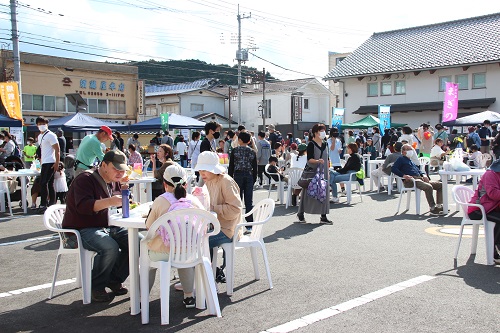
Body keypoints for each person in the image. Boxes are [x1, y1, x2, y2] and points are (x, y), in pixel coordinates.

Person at [62, 150, 130, 302]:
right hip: (81, 228)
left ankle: (114, 279)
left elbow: (120, 202)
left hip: (107, 225)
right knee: (109, 247)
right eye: (116, 168)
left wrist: (124, 190)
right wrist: (111, 201)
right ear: (104, 165)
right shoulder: (85, 179)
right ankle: (97, 286)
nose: (120, 173)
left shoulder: (114, 180)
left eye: (122, 169)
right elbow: (83, 207)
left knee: (137, 242)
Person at [145, 164, 205, 308]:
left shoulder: (160, 201)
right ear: (186, 184)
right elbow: (204, 220)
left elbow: (149, 226)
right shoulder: (193, 200)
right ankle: (189, 296)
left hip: (164, 252)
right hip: (190, 251)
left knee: (147, 263)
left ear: (164, 184)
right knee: (183, 256)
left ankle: (142, 299)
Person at [194, 151, 243, 280]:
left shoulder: (226, 181)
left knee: (196, 243)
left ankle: (203, 281)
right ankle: (205, 277)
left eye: (205, 170)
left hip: (228, 229)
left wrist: (213, 208)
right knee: (192, 239)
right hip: (214, 227)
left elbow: (236, 209)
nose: (202, 173)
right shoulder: (208, 181)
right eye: (200, 170)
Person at [391, 144, 443, 215]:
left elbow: (418, 170)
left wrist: (424, 175)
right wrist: (403, 175)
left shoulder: (410, 161)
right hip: (411, 180)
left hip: (420, 179)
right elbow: (394, 168)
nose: (411, 151)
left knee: (440, 185)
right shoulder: (401, 159)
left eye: (411, 149)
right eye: (408, 149)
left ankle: (439, 205)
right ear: (403, 152)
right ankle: (432, 208)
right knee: (428, 187)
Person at [297, 124, 332, 224]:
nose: (323, 133)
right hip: (313, 172)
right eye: (321, 131)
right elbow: (309, 159)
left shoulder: (326, 144)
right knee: (307, 192)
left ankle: (323, 216)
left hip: (324, 171)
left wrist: (328, 170)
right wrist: (317, 161)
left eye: (324, 131)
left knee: (324, 192)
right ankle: (301, 213)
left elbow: (328, 158)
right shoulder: (311, 144)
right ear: (316, 133)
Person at [467, 159, 500, 264]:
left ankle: (495, 248)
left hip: (490, 208)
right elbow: (493, 194)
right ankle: (495, 248)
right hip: (478, 209)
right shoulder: (491, 174)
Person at [228, 131, 257, 222]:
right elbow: (255, 167)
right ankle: (249, 222)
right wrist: (254, 179)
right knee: (249, 201)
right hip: (249, 175)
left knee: (237, 199)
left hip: (237, 175)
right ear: (249, 141)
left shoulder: (235, 150)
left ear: (239, 140)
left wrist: (230, 178)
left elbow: (231, 166)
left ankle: (237, 221)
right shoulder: (252, 152)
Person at [36, 117, 60, 213]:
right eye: (40, 123)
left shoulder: (51, 135)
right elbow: (42, 150)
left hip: (50, 161)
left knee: (43, 182)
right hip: (44, 162)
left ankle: (44, 204)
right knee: (49, 184)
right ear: (37, 125)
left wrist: (57, 162)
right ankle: (51, 204)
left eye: (44, 123)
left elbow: (57, 149)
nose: (42, 125)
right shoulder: (40, 136)